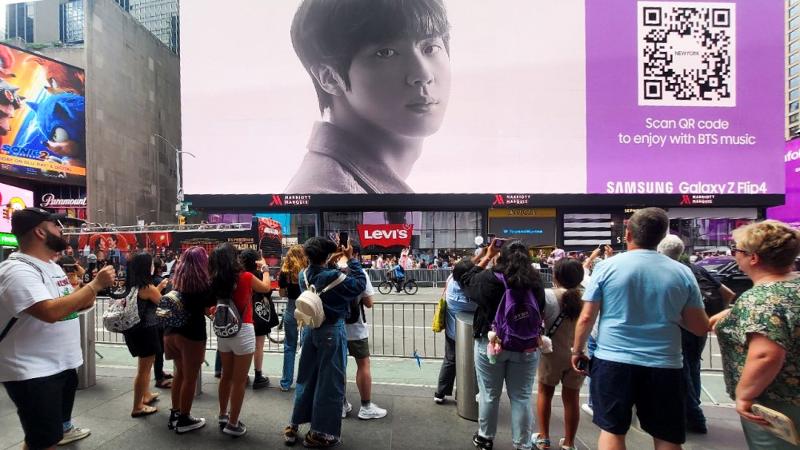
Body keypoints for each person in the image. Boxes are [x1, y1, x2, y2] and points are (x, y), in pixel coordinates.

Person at [572, 208, 709, 450]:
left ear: (627, 234)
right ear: (661, 236)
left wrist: (577, 350)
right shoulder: (682, 272)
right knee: (667, 436)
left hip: (613, 360)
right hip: (665, 365)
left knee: (612, 430)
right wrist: (670, 315)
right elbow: (700, 327)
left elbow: (586, 318)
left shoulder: (606, 267)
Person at [284, 0, 452, 194]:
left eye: (430, 48)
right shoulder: (331, 198)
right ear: (329, 77)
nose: (423, 75)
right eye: (386, 53)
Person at [0, 208, 115, 449]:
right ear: (40, 232)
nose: (61, 230)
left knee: (48, 437)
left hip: (61, 367)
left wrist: (87, 293)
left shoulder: (51, 266)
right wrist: (94, 286)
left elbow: (70, 300)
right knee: (43, 442)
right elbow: (50, 311)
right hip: (33, 372)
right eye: (56, 225)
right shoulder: (17, 270)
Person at [712, 220, 800, 449]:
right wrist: (733, 314)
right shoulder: (790, 288)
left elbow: (766, 355)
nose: (734, 256)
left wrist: (745, 395)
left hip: (776, 401)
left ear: (753, 258)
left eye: (737, 250)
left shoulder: (759, 299)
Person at [460, 239, 546, 450]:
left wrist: (488, 255)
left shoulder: (489, 279)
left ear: (501, 256)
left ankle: (485, 438)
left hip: (492, 343)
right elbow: (540, 308)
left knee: (489, 394)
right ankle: (523, 444)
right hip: (526, 346)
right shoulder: (535, 282)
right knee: (522, 396)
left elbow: (465, 279)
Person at [284, 237, 366, 448]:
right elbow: (359, 284)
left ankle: (294, 424)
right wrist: (351, 259)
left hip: (310, 331)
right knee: (330, 382)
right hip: (331, 330)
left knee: (306, 377)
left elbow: (321, 278)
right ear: (327, 256)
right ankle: (320, 434)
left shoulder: (304, 275)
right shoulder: (335, 276)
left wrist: (334, 260)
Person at [657, 234, 737, 434]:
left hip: (680, 327)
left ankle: (694, 416)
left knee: (683, 373)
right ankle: (695, 407)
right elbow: (728, 293)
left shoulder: (669, 272)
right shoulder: (697, 269)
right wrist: (710, 318)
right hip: (699, 327)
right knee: (693, 366)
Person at [211, 243, 271, 437]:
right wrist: (266, 270)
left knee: (225, 376)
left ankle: (222, 414)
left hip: (223, 331)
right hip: (243, 330)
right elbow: (266, 287)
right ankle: (233, 423)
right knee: (239, 380)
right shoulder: (245, 277)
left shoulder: (216, 279)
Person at [533, 258, 586, 450]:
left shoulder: (548, 296)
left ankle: (544, 439)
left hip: (551, 353)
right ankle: (569, 443)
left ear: (555, 275)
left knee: (545, 394)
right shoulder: (587, 298)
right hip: (578, 355)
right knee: (572, 399)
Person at [164, 246, 216, 434]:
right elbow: (208, 310)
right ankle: (185, 419)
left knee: (179, 373)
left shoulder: (175, 282)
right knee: (190, 378)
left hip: (171, 333)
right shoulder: (204, 286)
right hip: (191, 335)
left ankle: (175, 413)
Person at [119, 252, 170, 418]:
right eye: (151, 264)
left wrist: (159, 288)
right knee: (144, 369)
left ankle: (146, 395)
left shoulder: (131, 286)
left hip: (135, 330)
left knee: (145, 366)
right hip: (146, 331)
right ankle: (137, 406)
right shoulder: (147, 288)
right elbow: (163, 303)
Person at [341, 247, 387, 420]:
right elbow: (368, 303)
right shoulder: (359, 273)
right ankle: (366, 406)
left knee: (339, 367)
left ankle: (341, 405)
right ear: (355, 254)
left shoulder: (330, 272)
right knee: (363, 365)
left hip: (335, 327)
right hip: (356, 328)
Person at [434, 258, 478, 404]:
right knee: (469, 365)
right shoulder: (473, 296)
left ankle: (440, 393)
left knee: (449, 360)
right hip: (470, 335)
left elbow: (462, 269)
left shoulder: (451, 282)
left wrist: (483, 256)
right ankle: (463, 395)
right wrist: (489, 256)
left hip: (452, 333)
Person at [240, 248, 273, 390]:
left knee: (243, 346)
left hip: (242, 316)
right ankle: (258, 375)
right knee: (259, 346)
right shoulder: (258, 275)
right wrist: (265, 269)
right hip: (259, 316)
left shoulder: (239, 275)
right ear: (256, 262)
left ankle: (242, 375)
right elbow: (267, 289)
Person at [279, 244, 308, 392]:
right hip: (306, 309)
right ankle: (304, 381)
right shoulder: (307, 271)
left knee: (289, 346)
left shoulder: (285, 273)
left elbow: (282, 294)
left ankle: (286, 382)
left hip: (291, 309)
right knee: (306, 347)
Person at [151, 257, 173, 390]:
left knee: (159, 349)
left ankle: (159, 372)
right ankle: (159, 377)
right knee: (159, 350)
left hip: (154, 318)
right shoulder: (161, 282)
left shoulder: (148, 281)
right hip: (159, 319)